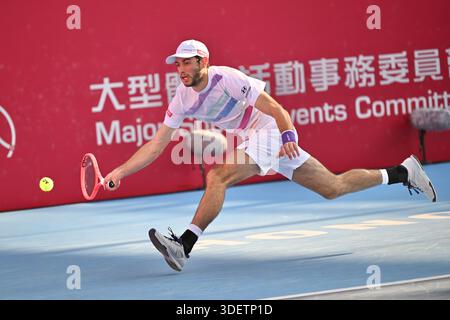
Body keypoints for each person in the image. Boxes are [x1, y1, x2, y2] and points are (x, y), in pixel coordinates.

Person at [104, 39, 437, 272]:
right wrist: (120, 170)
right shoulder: (182, 98)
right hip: (253, 137)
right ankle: (403, 172)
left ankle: (184, 246)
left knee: (217, 175)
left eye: (186, 62)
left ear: (203, 61)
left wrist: (288, 134)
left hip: (269, 129)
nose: (180, 69)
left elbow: (275, 108)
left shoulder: (227, 78)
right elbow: (157, 144)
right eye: (177, 64)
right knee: (332, 187)